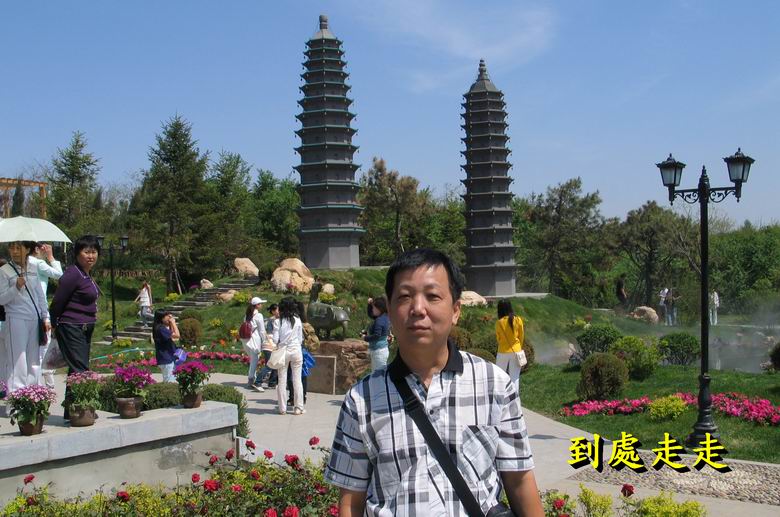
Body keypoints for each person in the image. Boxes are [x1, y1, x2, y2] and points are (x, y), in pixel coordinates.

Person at [325, 248, 543, 516]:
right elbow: (351, 500)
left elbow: (520, 481)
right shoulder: (361, 399)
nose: (418, 308)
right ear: (390, 311)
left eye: (432, 296)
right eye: (405, 297)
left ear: (455, 310)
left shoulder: (495, 385)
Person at [49, 235, 101, 419]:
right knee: (80, 369)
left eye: (94, 252)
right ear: (77, 254)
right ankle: (83, 410)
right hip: (71, 326)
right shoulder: (73, 274)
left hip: (84, 327)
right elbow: (58, 302)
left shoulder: (85, 274)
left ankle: (71, 412)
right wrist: (53, 323)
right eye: (86, 252)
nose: (91, 256)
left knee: (76, 368)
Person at [0, 241, 51, 393]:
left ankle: (33, 394)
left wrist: (45, 317)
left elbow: (40, 295)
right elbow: (1, 299)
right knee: (18, 359)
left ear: (28, 249)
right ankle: (17, 397)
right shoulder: (4, 270)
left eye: (19, 248)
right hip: (15, 317)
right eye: (12, 247)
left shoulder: (33, 268)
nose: (15, 251)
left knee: (34, 359)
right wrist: (16, 287)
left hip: (34, 318)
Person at [28, 243, 63, 388]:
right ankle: (46, 385)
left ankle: (34, 385)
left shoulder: (24, 263)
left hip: (27, 308)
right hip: (40, 309)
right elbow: (60, 275)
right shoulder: (39, 263)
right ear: (36, 249)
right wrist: (51, 257)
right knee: (44, 347)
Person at [273, 297, 304, 415]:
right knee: (297, 380)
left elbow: (275, 339)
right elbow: (300, 338)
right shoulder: (297, 320)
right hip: (296, 350)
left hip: (283, 351)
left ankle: (282, 408)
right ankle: (298, 407)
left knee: (282, 380)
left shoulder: (278, 321)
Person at [495, 298, 525, 390]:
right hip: (516, 351)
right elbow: (521, 336)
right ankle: (515, 397)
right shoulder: (518, 320)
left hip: (502, 351)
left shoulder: (499, 322)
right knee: (515, 378)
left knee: (499, 377)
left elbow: (498, 338)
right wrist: (518, 347)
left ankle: (500, 396)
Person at [241, 296, 267, 391]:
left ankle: (253, 378)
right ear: (257, 305)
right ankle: (251, 379)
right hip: (255, 340)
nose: (262, 305)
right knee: (254, 361)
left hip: (246, 340)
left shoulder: (247, 315)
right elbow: (262, 330)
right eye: (260, 304)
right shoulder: (259, 315)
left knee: (253, 360)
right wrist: (265, 341)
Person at [361, 296, 390, 371]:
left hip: (378, 353)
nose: (372, 309)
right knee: (378, 374)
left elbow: (377, 335)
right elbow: (371, 314)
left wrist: (365, 338)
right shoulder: (385, 316)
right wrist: (370, 305)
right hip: (382, 350)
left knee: (378, 375)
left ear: (379, 309)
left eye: (374, 308)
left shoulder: (379, 321)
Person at [152, 309, 180, 382]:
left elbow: (171, 335)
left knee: (170, 380)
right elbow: (177, 335)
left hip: (166, 358)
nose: (169, 318)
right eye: (166, 316)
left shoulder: (159, 327)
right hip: (166, 359)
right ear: (161, 318)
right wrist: (173, 322)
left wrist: (170, 324)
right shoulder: (161, 329)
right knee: (170, 382)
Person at [256, 303, 279, 389]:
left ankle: (272, 383)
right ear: (273, 311)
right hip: (270, 345)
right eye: (278, 310)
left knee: (275, 364)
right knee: (270, 365)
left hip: (269, 345)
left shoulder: (271, 320)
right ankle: (258, 382)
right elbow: (272, 334)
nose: (279, 311)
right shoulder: (273, 320)